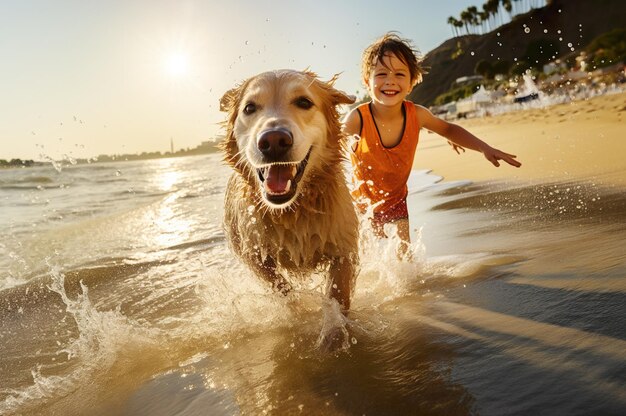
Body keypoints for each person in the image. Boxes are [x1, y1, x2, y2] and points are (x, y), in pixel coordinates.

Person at [343, 32, 521, 253]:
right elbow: (328, 145)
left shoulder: (417, 115)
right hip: (360, 205)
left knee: (403, 258)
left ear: (411, 83)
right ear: (367, 82)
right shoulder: (357, 119)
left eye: (400, 74)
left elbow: (448, 128)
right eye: (381, 74)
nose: (390, 80)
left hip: (397, 200)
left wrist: (484, 147)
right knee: (358, 255)